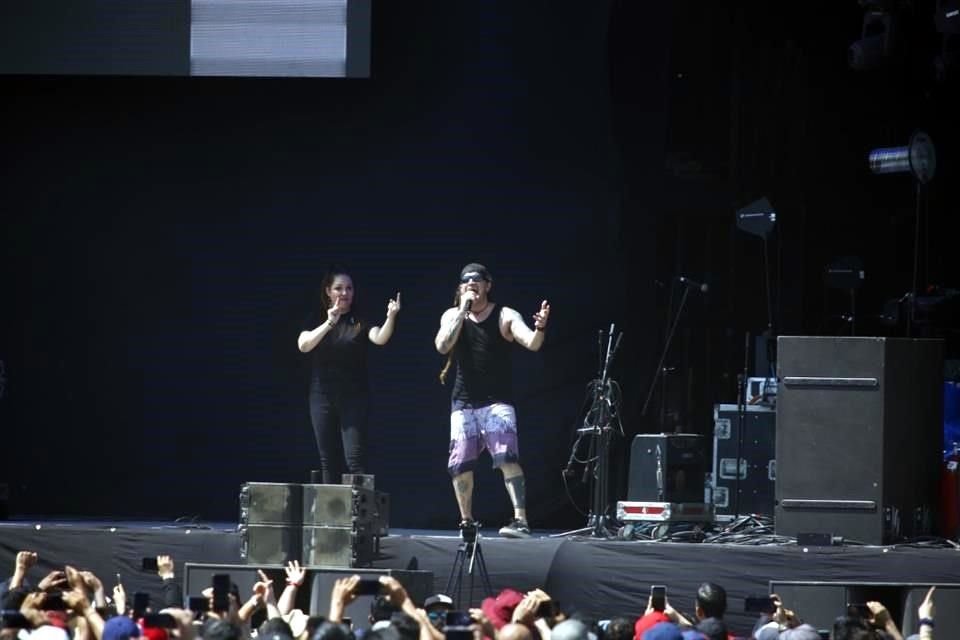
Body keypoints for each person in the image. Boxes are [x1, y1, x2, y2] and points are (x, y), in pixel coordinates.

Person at [434, 263, 550, 538]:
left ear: (488, 285)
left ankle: (520, 520)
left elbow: (532, 343)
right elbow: (441, 346)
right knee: (460, 464)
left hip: (497, 401)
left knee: (506, 456)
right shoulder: (453, 315)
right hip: (463, 402)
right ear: (460, 288)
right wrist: (463, 310)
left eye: (477, 280)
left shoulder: (504, 315)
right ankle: (467, 522)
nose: (471, 284)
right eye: (465, 281)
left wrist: (540, 327)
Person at [298, 266, 401, 484]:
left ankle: (358, 515)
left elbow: (380, 338)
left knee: (354, 458)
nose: (345, 293)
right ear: (328, 291)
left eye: (349, 289)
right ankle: (331, 515)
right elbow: (304, 345)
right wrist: (329, 322)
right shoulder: (317, 317)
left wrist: (391, 317)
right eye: (339, 288)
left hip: (353, 396)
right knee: (328, 459)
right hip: (322, 395)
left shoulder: (360, 320)